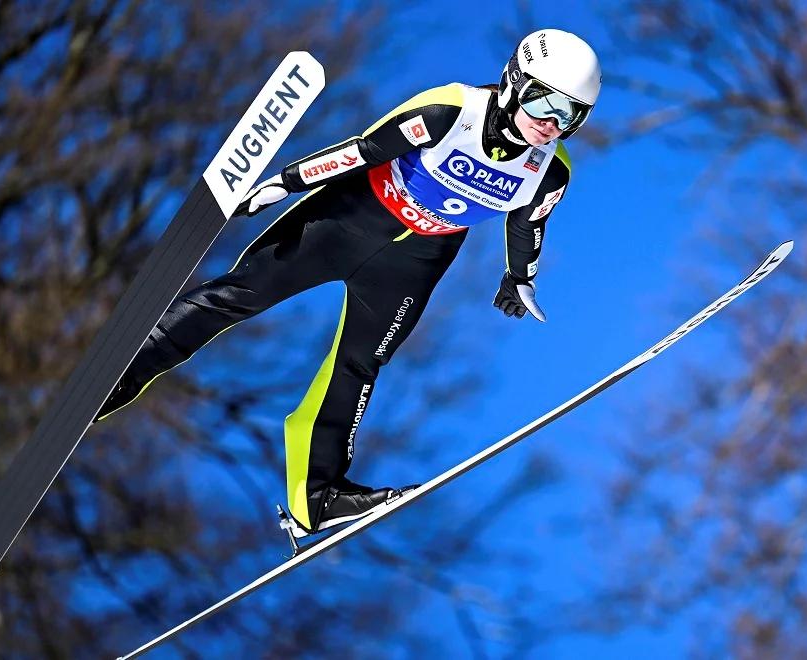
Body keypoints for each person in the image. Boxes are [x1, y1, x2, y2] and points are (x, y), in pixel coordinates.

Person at [94, 29, 602, 538]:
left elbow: (528, 222)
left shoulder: (551, 170)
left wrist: (519, 278)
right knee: (240, 295)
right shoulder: (452, 110)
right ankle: (122, 373)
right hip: (348, 219)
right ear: (515, 80)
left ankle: (315, 498)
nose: (551, 122)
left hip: (416, 261)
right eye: (545, 101)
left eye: (571, 115)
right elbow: (363, 150)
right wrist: (285, 182)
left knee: (359, 365)